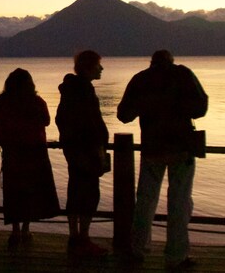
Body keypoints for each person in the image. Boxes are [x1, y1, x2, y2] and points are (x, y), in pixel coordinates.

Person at [117, 50, 208, 270]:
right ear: (171, 61)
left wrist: (147, 105)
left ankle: (137, 249)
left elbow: (123, 115)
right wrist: (178, 106)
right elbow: (201, 108)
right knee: (179, 202)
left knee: (145, 202)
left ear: (151, 63)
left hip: (152, 149)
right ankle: (176, 256)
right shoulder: (183, 75)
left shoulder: (141, 79)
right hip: (181, 149)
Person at [0, 68, 61, 248]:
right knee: (31, 191)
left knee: (13, 191)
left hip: (12, 152)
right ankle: (25, 229)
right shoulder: (36, 101)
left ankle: (14, 230)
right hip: (35, 152)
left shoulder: (1, 101)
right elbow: (46, 120)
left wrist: (3, 140)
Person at [56, 50, 109, 256]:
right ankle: (83, 239)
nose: (101, 68)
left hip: (73, 150)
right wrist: (98, 148)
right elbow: (92, 123)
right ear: (88, 67)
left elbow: (61, 119)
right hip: (86, 151)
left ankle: (74, 237)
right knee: (89, 195)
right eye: (98, 65)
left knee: (75, 191)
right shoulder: (84, 91)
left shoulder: (70, 90)